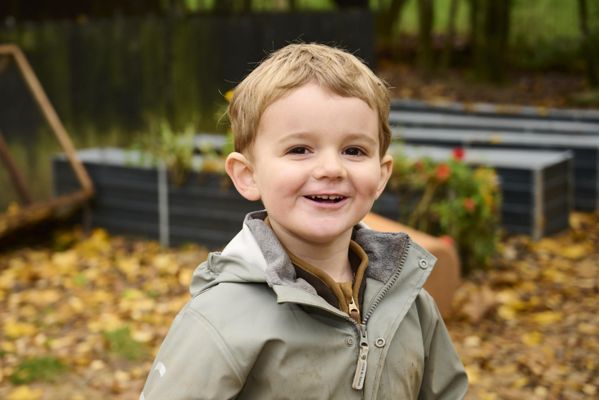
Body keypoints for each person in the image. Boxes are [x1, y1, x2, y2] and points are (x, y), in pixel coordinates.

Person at [140, 43, 468, 399]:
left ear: (381, 174)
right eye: (299, 150)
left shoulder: (410, 304)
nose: (331, 169)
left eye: (354, 150)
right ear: (248, 175)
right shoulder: (220, 318)